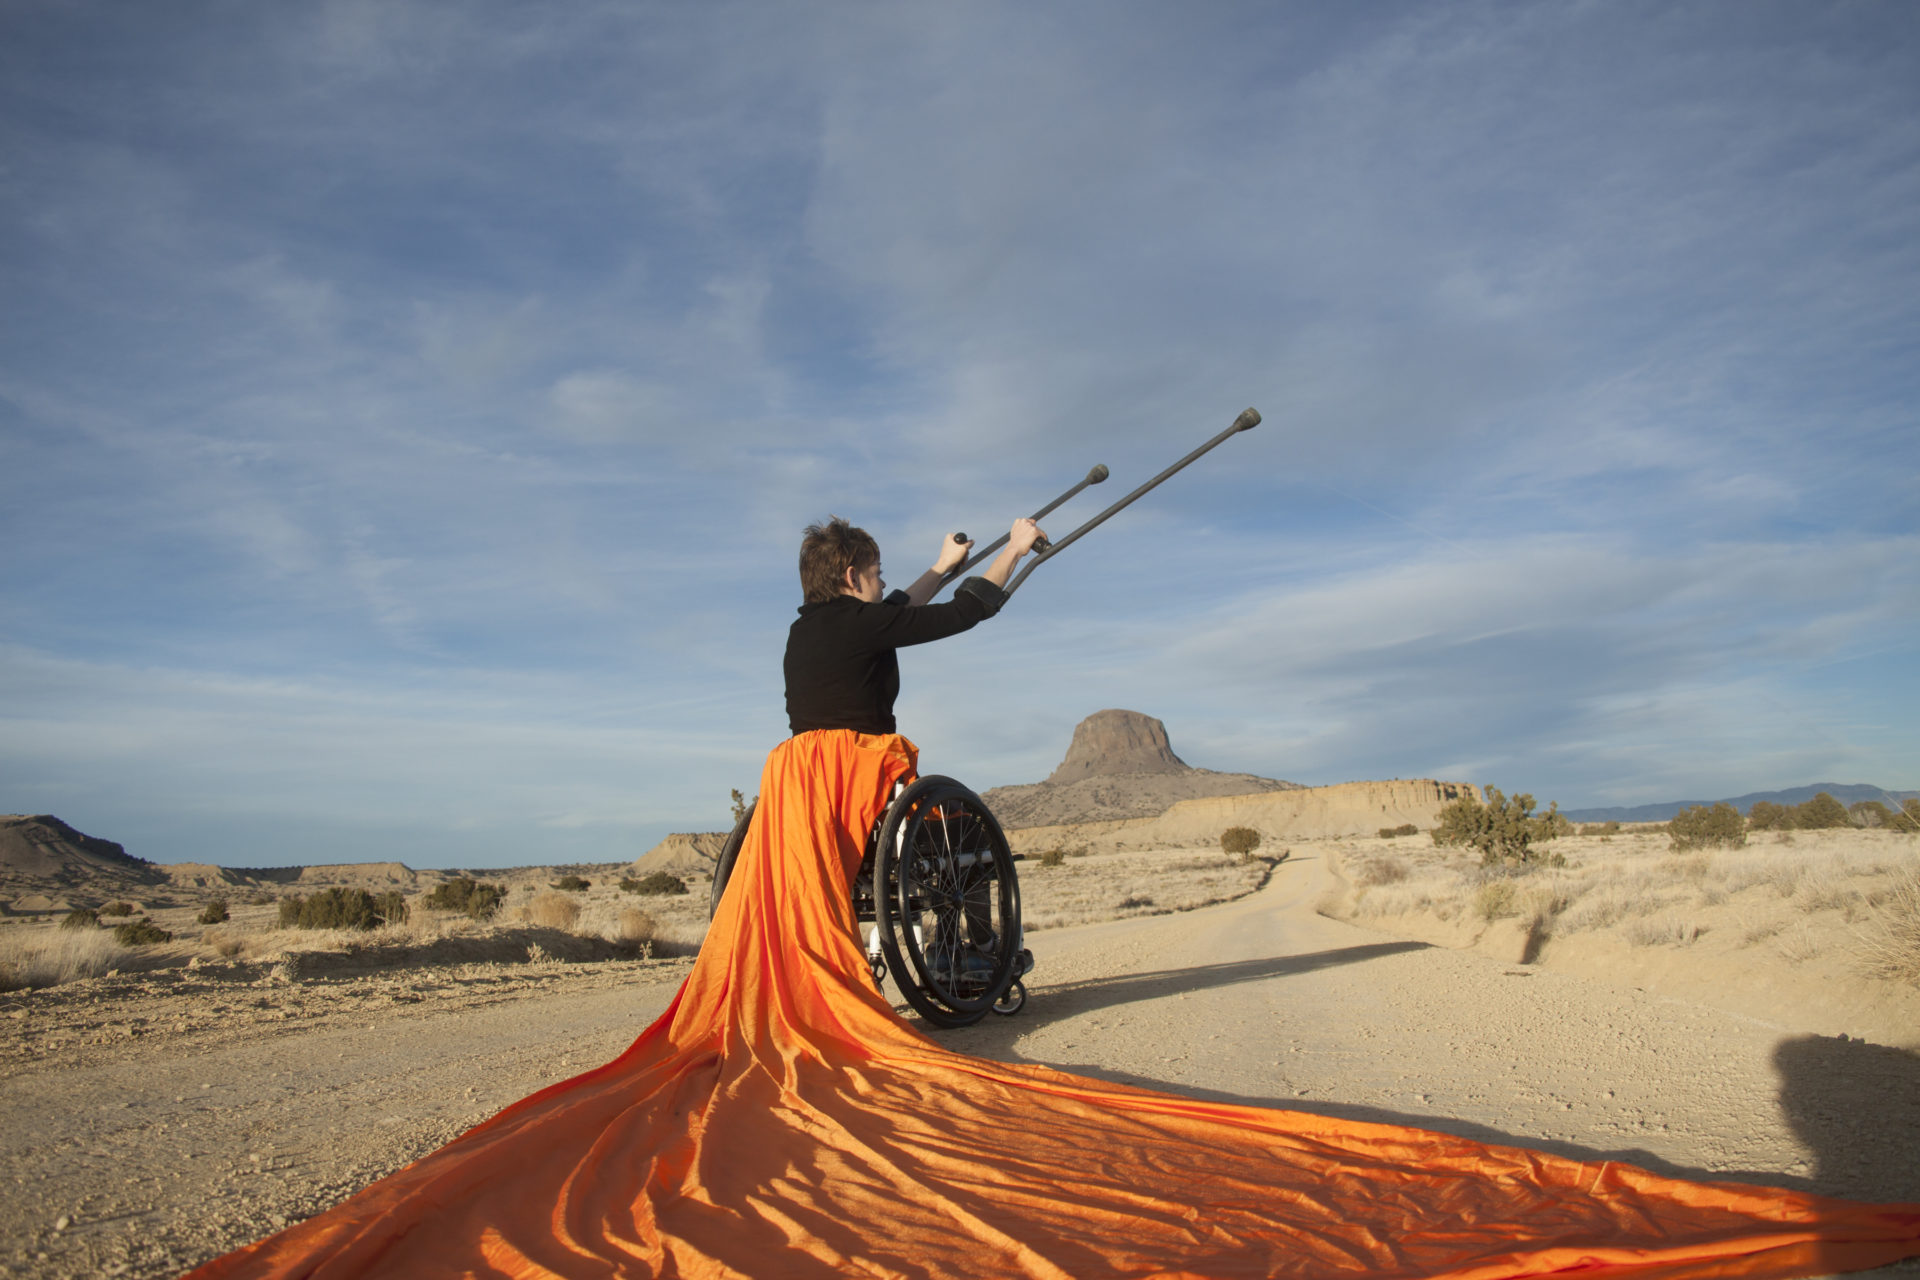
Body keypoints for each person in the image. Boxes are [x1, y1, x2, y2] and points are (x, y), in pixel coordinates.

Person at [784, 515, 1045, 736]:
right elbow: (964, 611)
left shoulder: (803, 629)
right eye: (877, 574)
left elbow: (895, 612)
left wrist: (943, 566)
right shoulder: (862, 624)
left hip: (805, 774)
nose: (883, 585)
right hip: (857, 768)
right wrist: (1014, 549)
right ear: (852, 577)